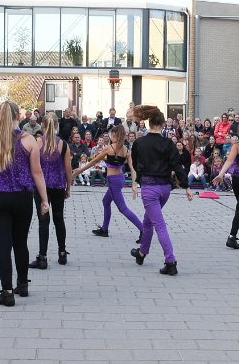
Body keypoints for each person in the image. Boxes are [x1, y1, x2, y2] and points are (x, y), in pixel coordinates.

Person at [0, 101, 49, 307]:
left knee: (3, 245)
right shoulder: (28, 140)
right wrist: (44, 200)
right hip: (22, 198)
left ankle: (6, 291)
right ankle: (22, 284)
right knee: (20, 242)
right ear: (17, 116)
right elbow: (37, 172)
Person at [129, 105, 192, 275]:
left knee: (159, 225)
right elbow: (177, 166)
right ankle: (142, 253)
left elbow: (134, 164)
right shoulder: (168, 143)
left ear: (149, 123)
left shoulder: (139, 142)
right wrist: (186, 186)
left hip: (149, 188)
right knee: (148, 221)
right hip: (165, 189)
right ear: (163, 124)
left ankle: (170, 261)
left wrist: (139, 177)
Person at [73, 125, 144, 240]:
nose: (110, 136)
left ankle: (143, 230)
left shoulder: (109, 148)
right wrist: (134, 184)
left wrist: (79, 171)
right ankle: (104, 229)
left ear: (115, 135)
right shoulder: (126, 150)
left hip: (113, 181)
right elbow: (132, 168)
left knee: (123, 208)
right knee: (106, 201)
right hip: (120, 179)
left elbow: (94, 161)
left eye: (111, 134)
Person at [30, 112, 71, 270]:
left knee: (43, 220)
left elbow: (32, 166)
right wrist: (69, 187)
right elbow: (68, 169)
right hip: (58, 185)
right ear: (57, 125)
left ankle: (43, 256)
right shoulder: (63, 144)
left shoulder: (37, 142)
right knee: (59, 219)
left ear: (43, 125)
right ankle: (62, 253)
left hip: (41, 187)